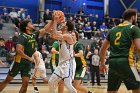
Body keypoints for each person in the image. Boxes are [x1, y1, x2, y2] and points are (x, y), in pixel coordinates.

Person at [0, 18, 56, 93]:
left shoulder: (33, 35)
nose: (32, 25)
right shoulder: (22, 37)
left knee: (25, 84)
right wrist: (29, 58)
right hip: (18, 62)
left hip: (27, 64)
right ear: (27, 27)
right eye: (30, 24)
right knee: (7, 80)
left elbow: (45, 29)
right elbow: (18, 50)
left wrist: (53, 20)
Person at [100, 8, 140, 93]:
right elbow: (139, 47)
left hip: (113, 63)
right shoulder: (134, 28)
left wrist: (102, 63)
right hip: (127, 62)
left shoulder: (113, 30)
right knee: (137, 89)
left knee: (111, 91)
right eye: (136, 16)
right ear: (133, 17)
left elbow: (103, 49)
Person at [48, 13, 77, 93]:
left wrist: (56, 22)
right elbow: (51, 32)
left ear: (66, 27)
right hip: (61, 63)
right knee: (50, 82)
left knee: (68, 84)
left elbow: (54, 35)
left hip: (69, 63)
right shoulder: (61, 33)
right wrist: (53, 21)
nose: (62, 23)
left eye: (64, 23)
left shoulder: (68, 36)